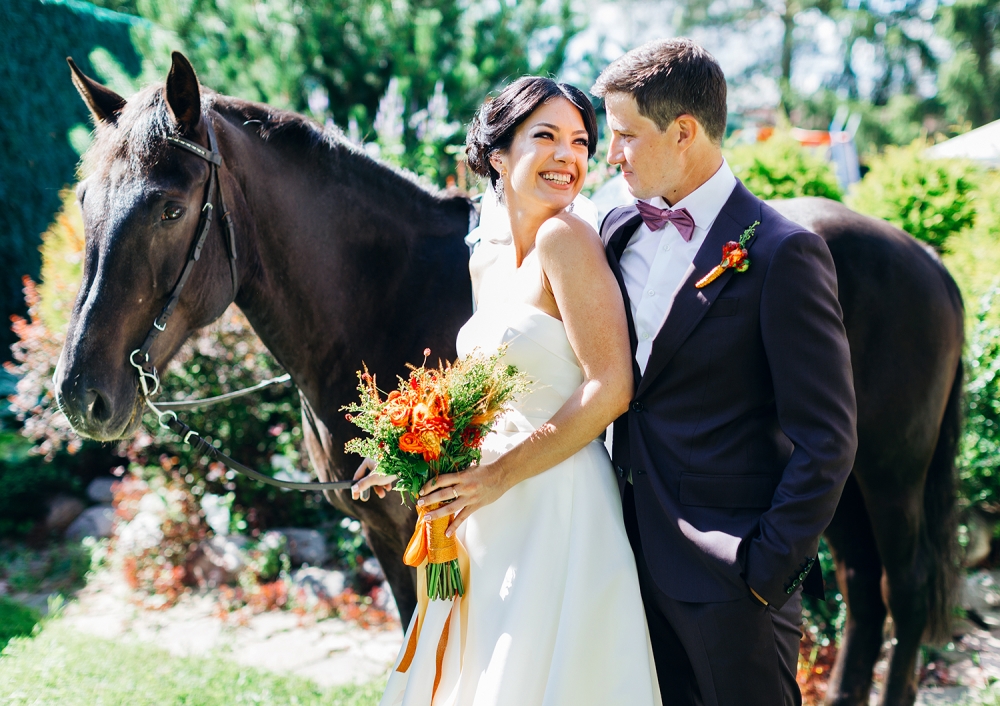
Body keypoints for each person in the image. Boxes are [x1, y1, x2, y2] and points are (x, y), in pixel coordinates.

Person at [352, 77, 662, 706]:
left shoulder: (566, 240)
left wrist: (497, 477)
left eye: (580, 141)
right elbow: (486, 389)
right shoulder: (485, 258)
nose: (567, 156)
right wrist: (409, 450)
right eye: (545, 136)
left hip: (557, 500)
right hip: (486, 507)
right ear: (498, 155)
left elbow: (611, 388)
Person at [592, 39, 858, 705]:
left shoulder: (783, 254)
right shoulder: (616, 231)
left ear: (683, 132)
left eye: (626, 134)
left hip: (731, 580)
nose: (611, 153)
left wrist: (764, 570)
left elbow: (828, 439)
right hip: (624, 561)